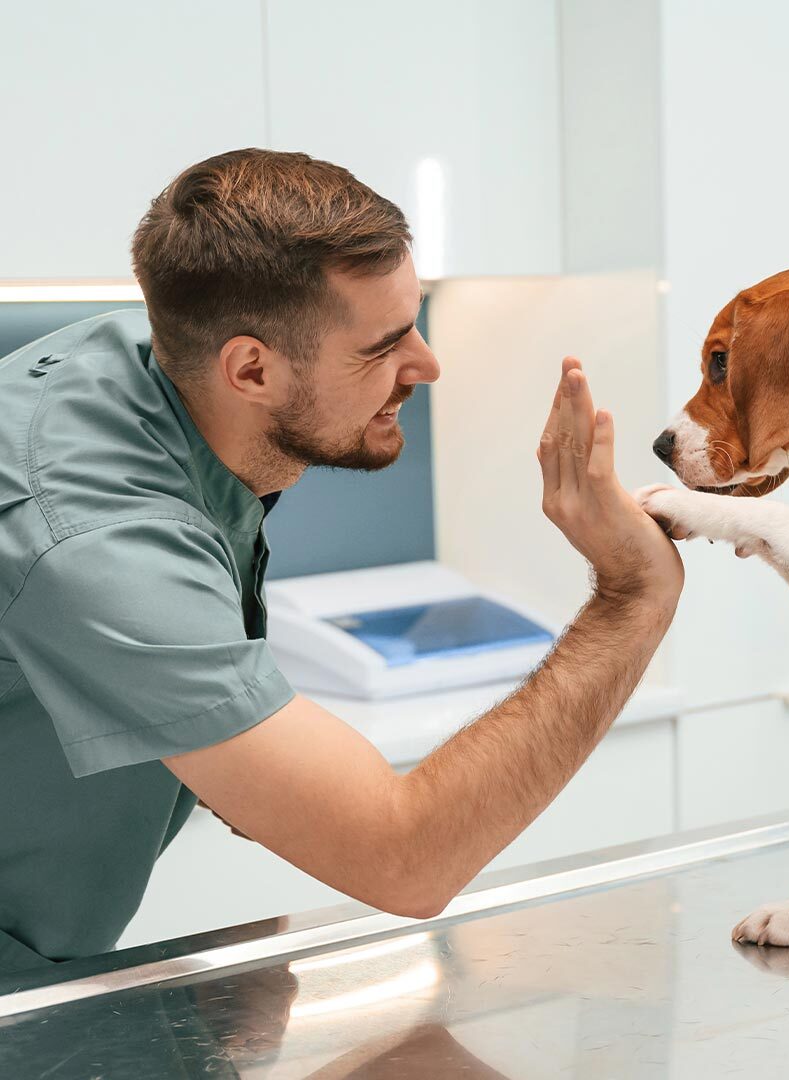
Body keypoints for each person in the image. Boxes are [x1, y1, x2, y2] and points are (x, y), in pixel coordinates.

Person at [0, 148, 683, 972]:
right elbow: (407, 858)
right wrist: (632, 596)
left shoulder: (161, 365)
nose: (427, 366)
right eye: (383, 345)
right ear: (249, 368)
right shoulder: (96, 538)